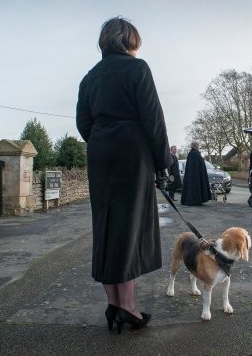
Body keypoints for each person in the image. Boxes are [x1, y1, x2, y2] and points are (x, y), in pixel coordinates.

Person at [76, 17, 171, 333]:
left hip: (101, 153)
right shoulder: (138, 69)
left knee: (106, 226)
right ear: (130, 41)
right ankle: (128, 307)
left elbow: (83, 124)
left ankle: (114, 304)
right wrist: (163, 163)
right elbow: (153, 120)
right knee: (128, 228)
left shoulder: (89, 78)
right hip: (132, 153)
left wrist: (103, 139)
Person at [180, 141, 211, 206]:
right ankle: (195, 201)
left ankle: (195, 200)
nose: (199, 146)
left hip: (194, 176)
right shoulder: (195, 154)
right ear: (196, 146)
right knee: (195, 188)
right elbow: (196, 166)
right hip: (196, 176)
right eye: (198, 145)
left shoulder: (192, 153)